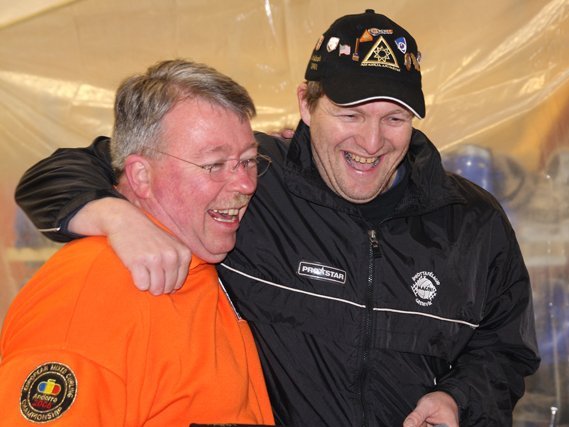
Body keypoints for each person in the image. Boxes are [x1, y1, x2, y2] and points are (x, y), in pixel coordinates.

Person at [14, 10, 540, 427]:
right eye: (350, 114)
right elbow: (83, 168)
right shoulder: (254, 181)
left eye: (394, 118)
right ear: (306, 106)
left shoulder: (472, 222)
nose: (371, 141)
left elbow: (505, 349)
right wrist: (115, 216)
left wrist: (458, 399)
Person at [2, 59, 275, 425]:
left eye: (249, 160)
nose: (245, 183)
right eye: (214, 165)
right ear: (141, 176)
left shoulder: (196, 261)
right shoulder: (92, 294)